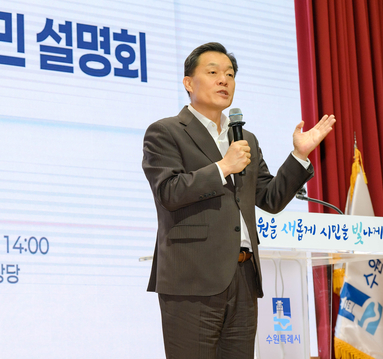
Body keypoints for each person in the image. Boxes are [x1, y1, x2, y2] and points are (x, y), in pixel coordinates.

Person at [141, 42, 335, 358]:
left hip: (243, 276)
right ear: (189, 83)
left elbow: (270, 198)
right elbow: (169, 192)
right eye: (213, 72)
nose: (224, 80)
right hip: (192, 280)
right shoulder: (166, 132)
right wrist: (223, 167)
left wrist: (299, 155)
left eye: (230, 74)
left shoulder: (245, 139)